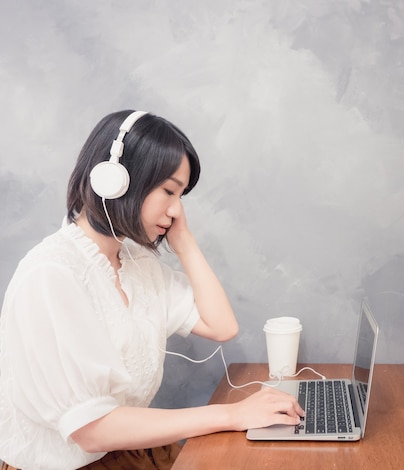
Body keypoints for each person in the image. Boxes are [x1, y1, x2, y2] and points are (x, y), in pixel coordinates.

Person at [0, 110, 304, 470]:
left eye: (181, 195)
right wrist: (232, 414)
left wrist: (184, 240)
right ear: (114, 180)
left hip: (122, 451)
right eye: (169, 191)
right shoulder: (52, 274)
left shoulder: (136, 264)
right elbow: (91, 429)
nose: (176, 210)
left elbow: (222, 326)